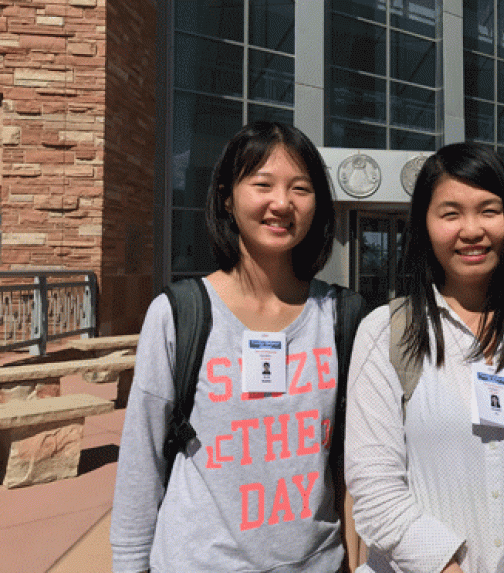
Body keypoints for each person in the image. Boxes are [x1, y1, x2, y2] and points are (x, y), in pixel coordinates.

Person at [111, 121, 361, 572]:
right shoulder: (179, 314)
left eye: (300, 188)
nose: (281, 203)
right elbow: (140, 460)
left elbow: (353, 467)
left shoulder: (342, 317)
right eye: (262, 184)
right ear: (227, 196)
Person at [345, 143, 504, 573]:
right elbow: (374, 485)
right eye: (450, 214)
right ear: (425, 226)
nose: (471, 230)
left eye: (489, 210)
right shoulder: (386, 332)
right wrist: (446, 566)